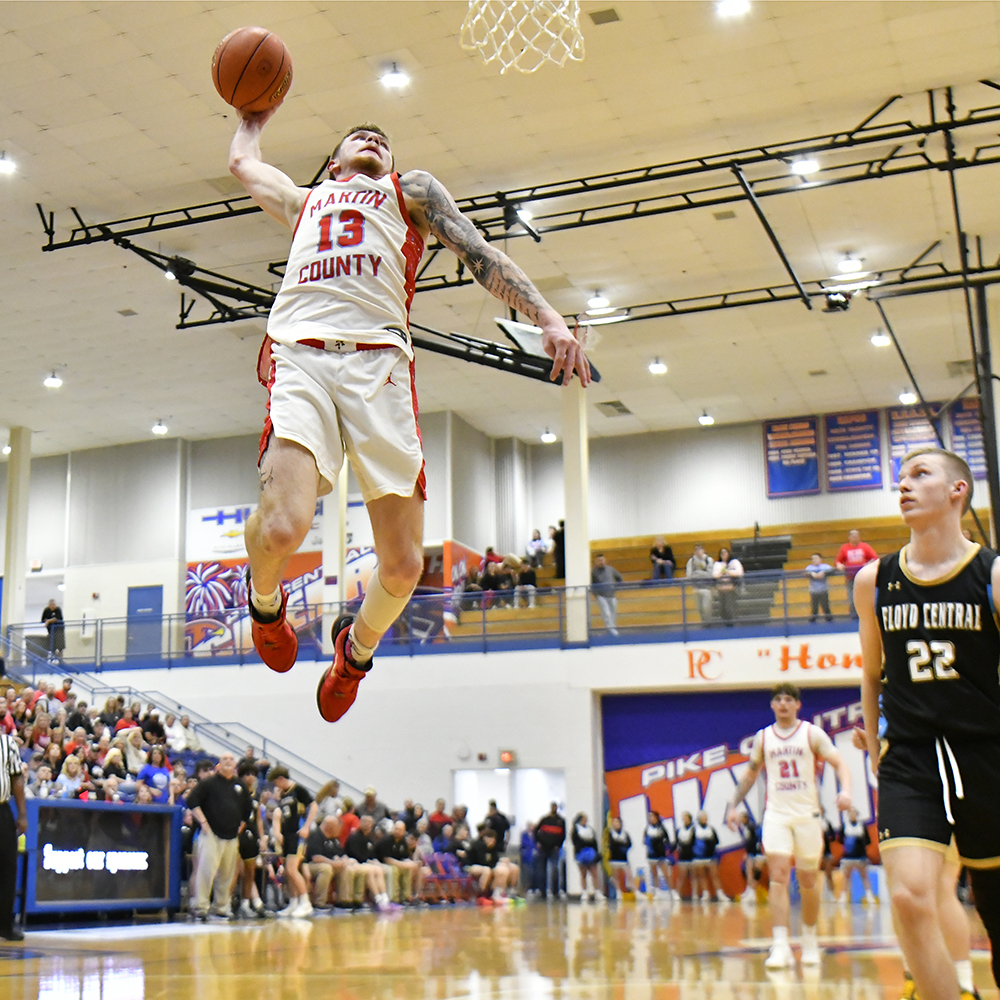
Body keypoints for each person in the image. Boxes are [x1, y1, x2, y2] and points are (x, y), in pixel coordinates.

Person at [228, 115, 590, 726]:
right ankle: (266, 607)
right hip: (302, 357)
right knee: (284, 528)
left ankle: (355, 654)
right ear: (333, 164)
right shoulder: (304, 200)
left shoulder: (411, 192)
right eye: (356, 136)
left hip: (381, 370)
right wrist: (251, 117)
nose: (372, 139)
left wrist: (549, 318)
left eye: (381, 138)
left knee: (402, 567)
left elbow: (480, 253)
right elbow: (244, 162)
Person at [856, 445, 1000, 999]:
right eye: (900, 478)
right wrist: (876, 747)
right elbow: (872, 673)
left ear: (957, 491)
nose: (905, 486)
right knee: (909, 896)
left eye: (920, 475)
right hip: (911, 755)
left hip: (985, 753)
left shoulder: (990, 574)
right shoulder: (874, 580)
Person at [725, 683, 852, 969]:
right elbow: (749, 774)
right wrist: (732, 805)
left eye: (788, 699)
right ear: (772, 705)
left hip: (808, 814)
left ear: (797, 705)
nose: (783, 704)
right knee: (778, 876)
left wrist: (845, 790)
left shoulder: (811, 733)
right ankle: (780, 944)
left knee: (808, 881)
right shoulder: (763, 738)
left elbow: (840, 763)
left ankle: (809, 940)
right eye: (778, 699)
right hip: (776, 815)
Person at [186, 752, 250, 922]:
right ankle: (201, 907)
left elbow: (247, 810)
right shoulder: (209, 783)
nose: (228, 762)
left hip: (231, 836)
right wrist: (204, 823)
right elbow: (192, 801)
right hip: (211, 835)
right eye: (225, 759)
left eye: (231, 759)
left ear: (235, 765)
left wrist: (240, 828)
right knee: (206, 871)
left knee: (227, 873)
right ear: (219, 765)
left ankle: (221, 907)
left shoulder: (240, 785)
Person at [269, 766, 318, 917]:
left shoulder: (298, 790)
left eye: (276, 783)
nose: (276, 787)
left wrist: (306, 826)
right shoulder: (283, 795)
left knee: (292, 869)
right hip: (288, 835)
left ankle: (306, 903)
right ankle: (293, 902)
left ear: (281, 779)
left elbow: (314, 806)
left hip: (298, 835)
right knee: (288, 873)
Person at [0, 728, 26, 940]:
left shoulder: (7, 743)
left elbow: (17, 779)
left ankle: (5, 925)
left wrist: (23, 813)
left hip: (2, 810)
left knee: (7, 868)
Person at [235, 759, 269, 919]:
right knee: (235, 871)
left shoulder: (257, 796)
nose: (250, 777)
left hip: (252, 836)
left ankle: (246, 904)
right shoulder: (236, 793)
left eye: (253, 774)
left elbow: (259, 820)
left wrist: (262, 838)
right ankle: (227, 905)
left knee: (250, 872)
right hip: (237, 836)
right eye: (247, 774)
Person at [306, 814, 351, 909]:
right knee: (326, 868)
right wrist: (333, 863)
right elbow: (316, 858)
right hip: (311, 865)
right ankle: (319, 902)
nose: (338, 829)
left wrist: (343, 860)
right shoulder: (316, 835)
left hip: (330, 864)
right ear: (330, 826)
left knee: (345, 868)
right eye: (336, 826)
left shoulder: (333, 838)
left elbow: (341, 853)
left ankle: (343, 900)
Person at [838, 806, 876, 906]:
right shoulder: (845, 826)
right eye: (850, 813)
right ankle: (843, 896)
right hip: (848, 857)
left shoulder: (862, 825)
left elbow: (868, 841)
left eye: (854, 813)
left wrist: (860, 844)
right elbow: (840, 840)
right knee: (846, 877)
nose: (852, 815)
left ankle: (869, 896)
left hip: (860, 856)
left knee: (864, 876)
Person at [836, 528, 878, 619]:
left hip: (864, 577)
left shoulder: (865, 546)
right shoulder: (844, 548)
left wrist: (867, 565)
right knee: (851, 598)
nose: (854, 537)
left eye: (856, 535)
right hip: (850, 577)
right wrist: (840, 565)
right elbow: (838, 561)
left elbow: (874, 558)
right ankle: (854, 615)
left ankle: (868, 615)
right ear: (849, 537)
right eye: (852, 536)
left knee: (866, 597)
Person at [377, 819, 422, 904]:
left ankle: (405, 897)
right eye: (396, 828)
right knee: (394, 870)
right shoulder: (387, 840)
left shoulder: (403, 842)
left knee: (408, 869)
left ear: (404, 831)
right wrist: (403, 865)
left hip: (395, 863)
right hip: (380, 863)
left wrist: (410, 864)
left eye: (400, 830)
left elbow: (404, 857)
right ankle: (393, 898)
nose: (397, 831)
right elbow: (387, 859)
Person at [692, 811, 725, 902]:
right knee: (701, 875)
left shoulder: (711, 829)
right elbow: (691, 843)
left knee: (715, 875)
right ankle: (705, 893)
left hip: (711, 856)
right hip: (698, 857)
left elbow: (716, 841)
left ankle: (719, 893)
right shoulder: (695, 830)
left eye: (705, 818)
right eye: (702, 818)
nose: (704, 820)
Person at [535, 802, 566, 899]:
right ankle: (542, 891)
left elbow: (563, 835)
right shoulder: (544, 820)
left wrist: (558, 845)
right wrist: (538, 842)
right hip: (544, 848)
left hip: (554, 849)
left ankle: (555, 892)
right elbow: (536, 831)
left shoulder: (561, 821)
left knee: (555, 870)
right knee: (542, 870)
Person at [737, 808, 765, 904]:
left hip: (757, 853)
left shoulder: (751, 827)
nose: (740, 820)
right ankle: (749, 891)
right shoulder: (747, 828)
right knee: (749, 871)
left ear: (746, 818)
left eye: (742, 818)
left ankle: (752, 892)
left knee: (754, 872)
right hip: (752, 853)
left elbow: (753, 841)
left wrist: (752, 852)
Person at [572, 812, 602, 902]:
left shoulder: (590, 829)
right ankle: (584, 892)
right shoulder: (575, 830)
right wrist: (585, 844)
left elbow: (594, 842)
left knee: (594, 873)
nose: (585, 821)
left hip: (591, 854)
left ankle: (597, 892)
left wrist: (595, 853)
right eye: (583, 819)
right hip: (581, 854)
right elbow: (576, 843)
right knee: (583, 874)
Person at [643, 810, 673, 900]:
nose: (651, 818)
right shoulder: (647, 829)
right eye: (649, 817)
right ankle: (657, 891)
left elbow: (667, 841)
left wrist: (665, 848)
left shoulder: (662, 828)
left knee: (666, 874)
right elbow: (644, 841)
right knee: (654, 873)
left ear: (656, 817)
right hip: (652, 855)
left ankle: (671, 891)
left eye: (652, 816)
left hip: (661, 855)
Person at [591, 554, 624, 636]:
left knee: (613, 612)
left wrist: (615, 588)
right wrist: (596, 595)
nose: (600, 562)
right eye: (598, 561)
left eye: (602, 560)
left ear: (605, 560)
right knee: (606, 612)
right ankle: (611, 629)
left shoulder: (611, 569)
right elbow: (591, 584)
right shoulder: (593, 572)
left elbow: (619, 578)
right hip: (600, 595)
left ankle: (612, 627)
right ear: (595, 562)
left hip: (611, 594)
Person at [713, 547, 744, 624]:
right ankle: (725, 623)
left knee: (729, 607)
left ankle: (733, 623)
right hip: (721, 589)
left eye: (725, 553)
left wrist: (727, 571)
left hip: (731, 588)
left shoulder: (734, 562)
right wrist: (722, 572)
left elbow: (739, 572)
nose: (724, 555)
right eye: (722, 553)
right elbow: (715, 575)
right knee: (723, 609)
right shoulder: (717, 564)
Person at [686, 544, 715, 621]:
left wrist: (697, 573)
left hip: (707, 588)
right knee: (699, 608)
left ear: (703, 550)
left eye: (700, 549)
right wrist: (702, 573)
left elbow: (710, 574)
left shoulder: (709, 560)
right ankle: (703, 622)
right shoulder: (691, 561)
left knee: (706, 608)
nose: (698, 552)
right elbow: (689, 575)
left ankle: (708, 622)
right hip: (696, 588)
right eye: (696, 550)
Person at [607, 816, 634, 895]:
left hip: (624, 858)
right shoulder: (611, 834)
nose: (615, 824)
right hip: (614, 858)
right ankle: (618, 892)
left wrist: (623, 846)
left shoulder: (625, 833)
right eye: (614, 822)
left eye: (617, 822)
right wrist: (621, 843)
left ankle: (635, 891)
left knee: (629, 875)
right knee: (615, 876)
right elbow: (612, 845)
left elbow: (629, 844)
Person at [806, 553, 834, 623]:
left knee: (825, 606)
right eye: (813, 559)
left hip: (823, 590)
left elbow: (832, 570)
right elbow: (805, 573)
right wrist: (812, 574)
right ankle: (813, 618)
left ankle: (829, 619)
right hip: (813, 590)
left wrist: (824, 572)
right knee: (814, 606)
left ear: (820, 559)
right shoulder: (810, 567)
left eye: (816, 558)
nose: (814, 560)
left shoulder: (825, 566)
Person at [674, 812, 696, 901]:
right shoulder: (679, 830)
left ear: (690, 819)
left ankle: (695, 894)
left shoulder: (694, 829)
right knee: (681, 876)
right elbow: (676, 843)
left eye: (686, 818)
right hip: (682, 856)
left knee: (694, 876)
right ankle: (678, 893)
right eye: (683, 818)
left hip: (692, 856)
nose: (685, 820)